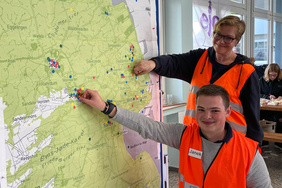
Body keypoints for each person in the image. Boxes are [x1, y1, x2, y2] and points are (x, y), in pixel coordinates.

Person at [79, 84, 272, 187]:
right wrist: (105, 108)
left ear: (228, 111)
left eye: (215, 110)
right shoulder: (184, 135)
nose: (207, 116)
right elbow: (148, 127)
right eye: (201, 109)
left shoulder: (248, 152)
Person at [133, 15, 263, 144]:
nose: (220, 41)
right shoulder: (200, 59)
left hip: (231, 144)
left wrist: (254, 149)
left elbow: (253, 116)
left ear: (237, 41)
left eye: (228, 38)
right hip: (195, 138)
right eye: (218, 35)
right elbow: (174, 62)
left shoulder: (246, 72)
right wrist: (153, 64)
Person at [260, 63, 282, 149]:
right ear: (267, 73)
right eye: (271, 75)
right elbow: (256, 93)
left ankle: (279, 143)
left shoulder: (281, 80)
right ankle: (263, 142)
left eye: (275, 75)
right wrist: (267, 97)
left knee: (280, 120)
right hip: (265, 107)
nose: (272, 77)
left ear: (278, 74)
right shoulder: (262, 80)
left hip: (278, 107)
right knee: (262, 120)